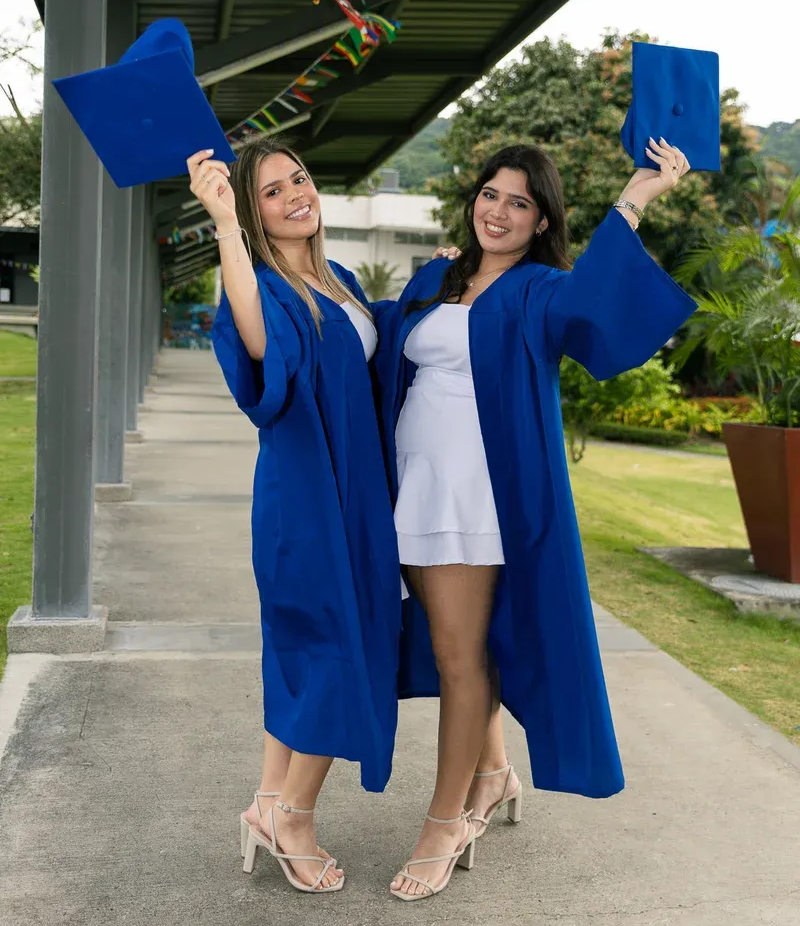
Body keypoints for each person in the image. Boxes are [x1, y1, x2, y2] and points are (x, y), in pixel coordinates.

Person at [373, 139, 698, 901]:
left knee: (459, 659)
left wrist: (637, 198)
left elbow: (596, 303)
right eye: (491, 194)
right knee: (460, 646)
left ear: (542, 220)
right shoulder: (438, 277)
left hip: (475, 500)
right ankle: (492, 774)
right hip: (414, 489)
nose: (498, 211)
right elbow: (381, 343)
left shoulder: (541, 290)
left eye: (519, 203)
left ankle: (444, 824)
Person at [187, 137, 402, 894]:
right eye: (271, 192)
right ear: (254, 213)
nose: (293, 195)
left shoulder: (339, 280)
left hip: (355, 494)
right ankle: (294, 819)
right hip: (307, 498)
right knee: (336, 649)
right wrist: (224, 224)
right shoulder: (267, 286)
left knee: (307, 652)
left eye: (298, 179)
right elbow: (256, 342)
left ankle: (267, 803)